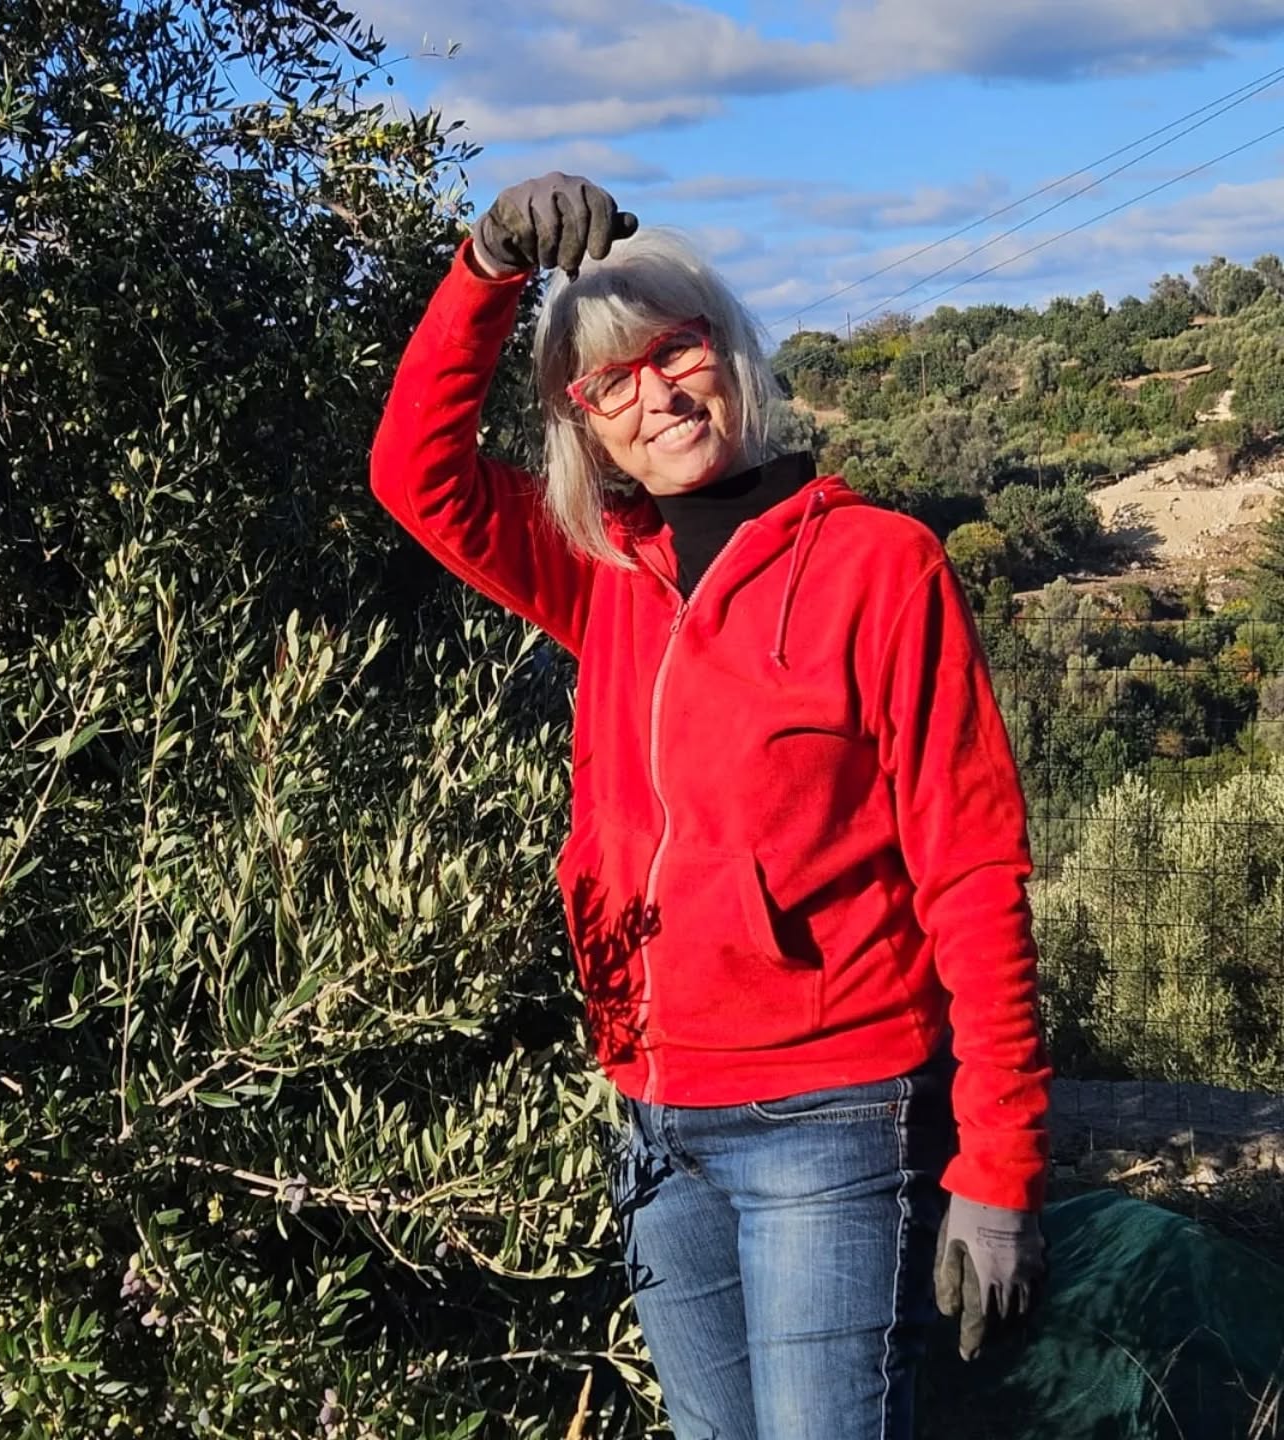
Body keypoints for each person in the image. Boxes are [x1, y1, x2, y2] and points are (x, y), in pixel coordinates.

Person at [370, 173, 1050, 1440]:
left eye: (673, 352)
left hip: (835, 1118)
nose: (655, 396)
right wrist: (486, 267)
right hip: (654, 1114)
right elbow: (415, 474)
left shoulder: (878, 567)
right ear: (586, 425)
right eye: (609, 384)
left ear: (726, 352)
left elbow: (973, 872)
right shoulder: (601, 575)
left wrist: (997, 1168)